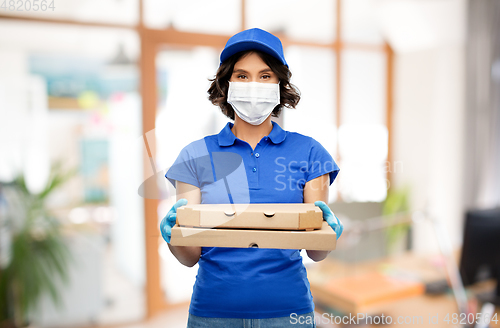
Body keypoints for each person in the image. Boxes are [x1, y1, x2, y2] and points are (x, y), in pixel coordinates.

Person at [161, 28, 343, 328]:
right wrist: (174, 235)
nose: (254, 85)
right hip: (213, 313)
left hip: (289, 312)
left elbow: (316, 251)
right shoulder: (194, 156)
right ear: (226, 84)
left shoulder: (310, 153)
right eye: (242, 75)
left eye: (265, 75)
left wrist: (328, 231)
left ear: (280, 84)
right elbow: (189, 256)